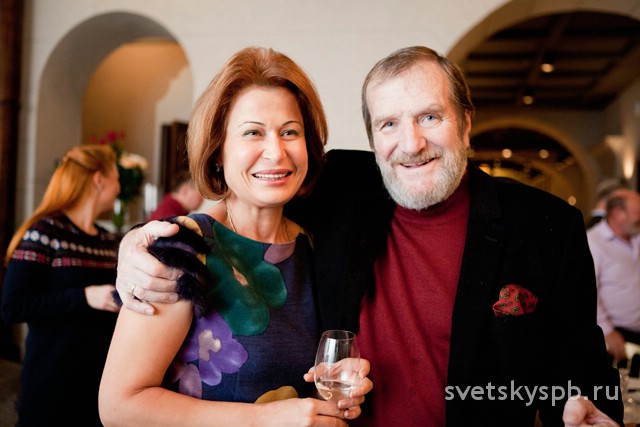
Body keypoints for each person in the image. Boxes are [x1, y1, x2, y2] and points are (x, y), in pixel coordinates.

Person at [113, 46, 623, 426]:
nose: (412, 143)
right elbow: (235, 210)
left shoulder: (544, 225)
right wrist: (138, 243)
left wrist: (587, 411)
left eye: (430, 116)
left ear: (466, 123)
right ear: (372, 138)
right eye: (389, 124)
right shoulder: (343, 188)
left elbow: (582, 369)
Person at [98, 47, 371, 427]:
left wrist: (337, 388)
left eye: (290, 132)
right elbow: (119, 406)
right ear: (218, 152)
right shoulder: (181, 250)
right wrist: (265, 420)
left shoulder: (316, 246)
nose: (276, 151)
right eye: (253, 133)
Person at [1, 144, 121, 426]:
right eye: (116, 178)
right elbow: (13, 306)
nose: (119, 188)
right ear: (99, 179)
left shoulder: (108, 241)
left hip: (100, 381)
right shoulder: (45, 233)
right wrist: (84, 296)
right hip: (53, 380)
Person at [587, 188, 640, 362]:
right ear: (618, 214)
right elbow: (587, 290)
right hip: (617, 336)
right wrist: (607, 330)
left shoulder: (635, 237)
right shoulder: (593, 242)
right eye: (637, 212)